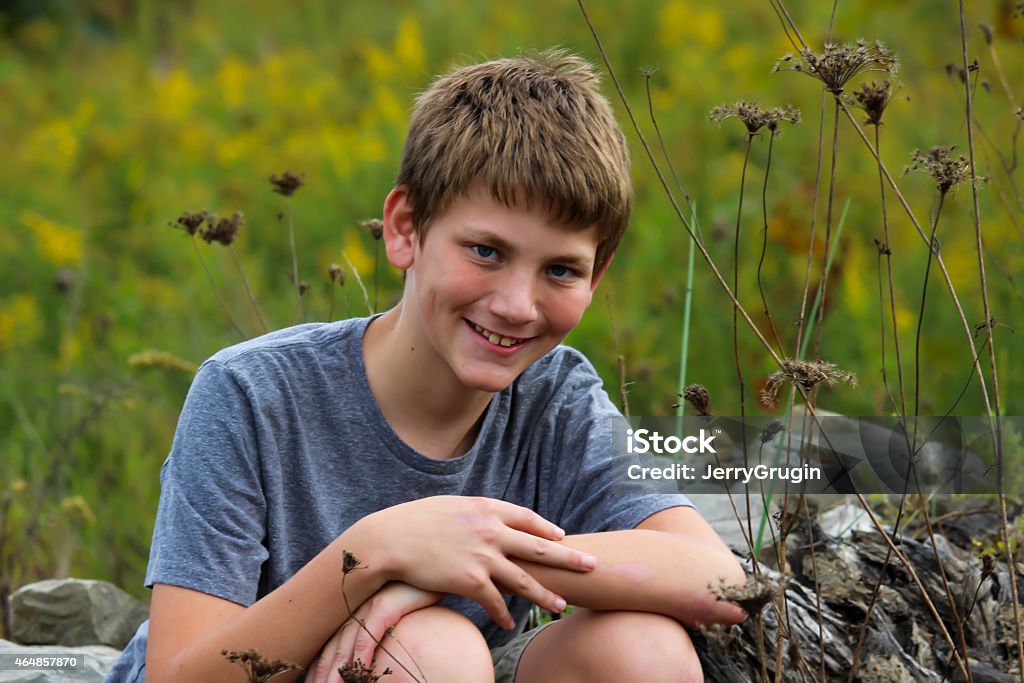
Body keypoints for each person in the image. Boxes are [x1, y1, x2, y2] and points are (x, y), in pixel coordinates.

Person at [105, 49, 746, 683]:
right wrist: (378, 554)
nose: (518, 305)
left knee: (643, 651)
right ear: (405, 229)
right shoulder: (250, 392)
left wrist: (468, 559)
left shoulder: (555, 396)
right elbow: (177, 677)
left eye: (560, 270)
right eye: (486, 251)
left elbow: (719, 580)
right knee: (433, 648)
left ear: (596, 275)